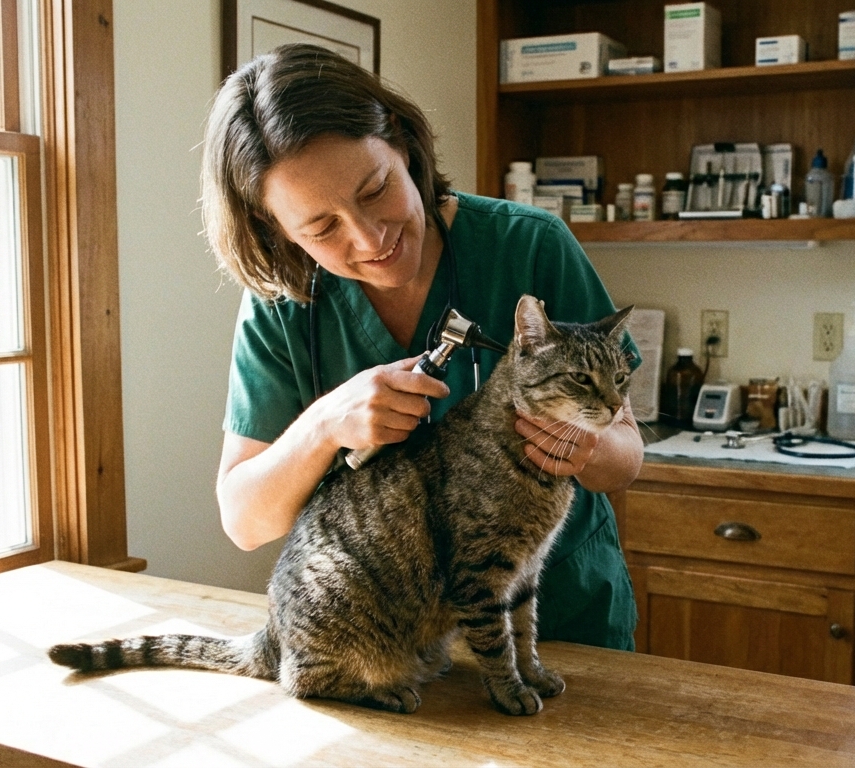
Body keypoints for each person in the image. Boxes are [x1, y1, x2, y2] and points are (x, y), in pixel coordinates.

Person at [202, 44, 644, 651]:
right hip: (387, 642)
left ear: (405, 147)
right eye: (321, 228)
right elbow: (246, 520)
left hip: (559, 627)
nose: (369, 237)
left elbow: (627, 457)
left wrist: (578, 446)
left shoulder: (529, 246)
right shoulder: (284, 302)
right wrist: (328, 424)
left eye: (376, 189)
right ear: (277, 231)